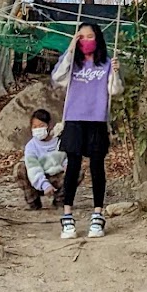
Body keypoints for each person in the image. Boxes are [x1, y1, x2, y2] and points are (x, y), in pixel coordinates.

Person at [51, 22, 123, 241]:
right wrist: (70, 50)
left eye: (89, 36)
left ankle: (97, 215)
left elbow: (115, 91)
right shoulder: (72, 63)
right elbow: (58, 78)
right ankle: (67, 217)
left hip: (97, 120)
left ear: (97, 39)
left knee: (97, 167)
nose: (85, 41)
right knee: (72, 167)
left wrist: (116, 74)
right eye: (80, 37)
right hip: (73, 118)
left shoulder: (107, 64)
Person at [16, 108, 67, 210]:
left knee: (76, 170)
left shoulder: (59, 142)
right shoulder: (31, 146)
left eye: (41, 126)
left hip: (57, 177)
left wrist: (67, 165)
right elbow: (33, 167)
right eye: (35, 127)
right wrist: (44, 185)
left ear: (49, 125)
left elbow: (66, 157)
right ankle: (33, 202)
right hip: (36, 180)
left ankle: (60, 201)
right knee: (20, 168)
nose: (38, 129)